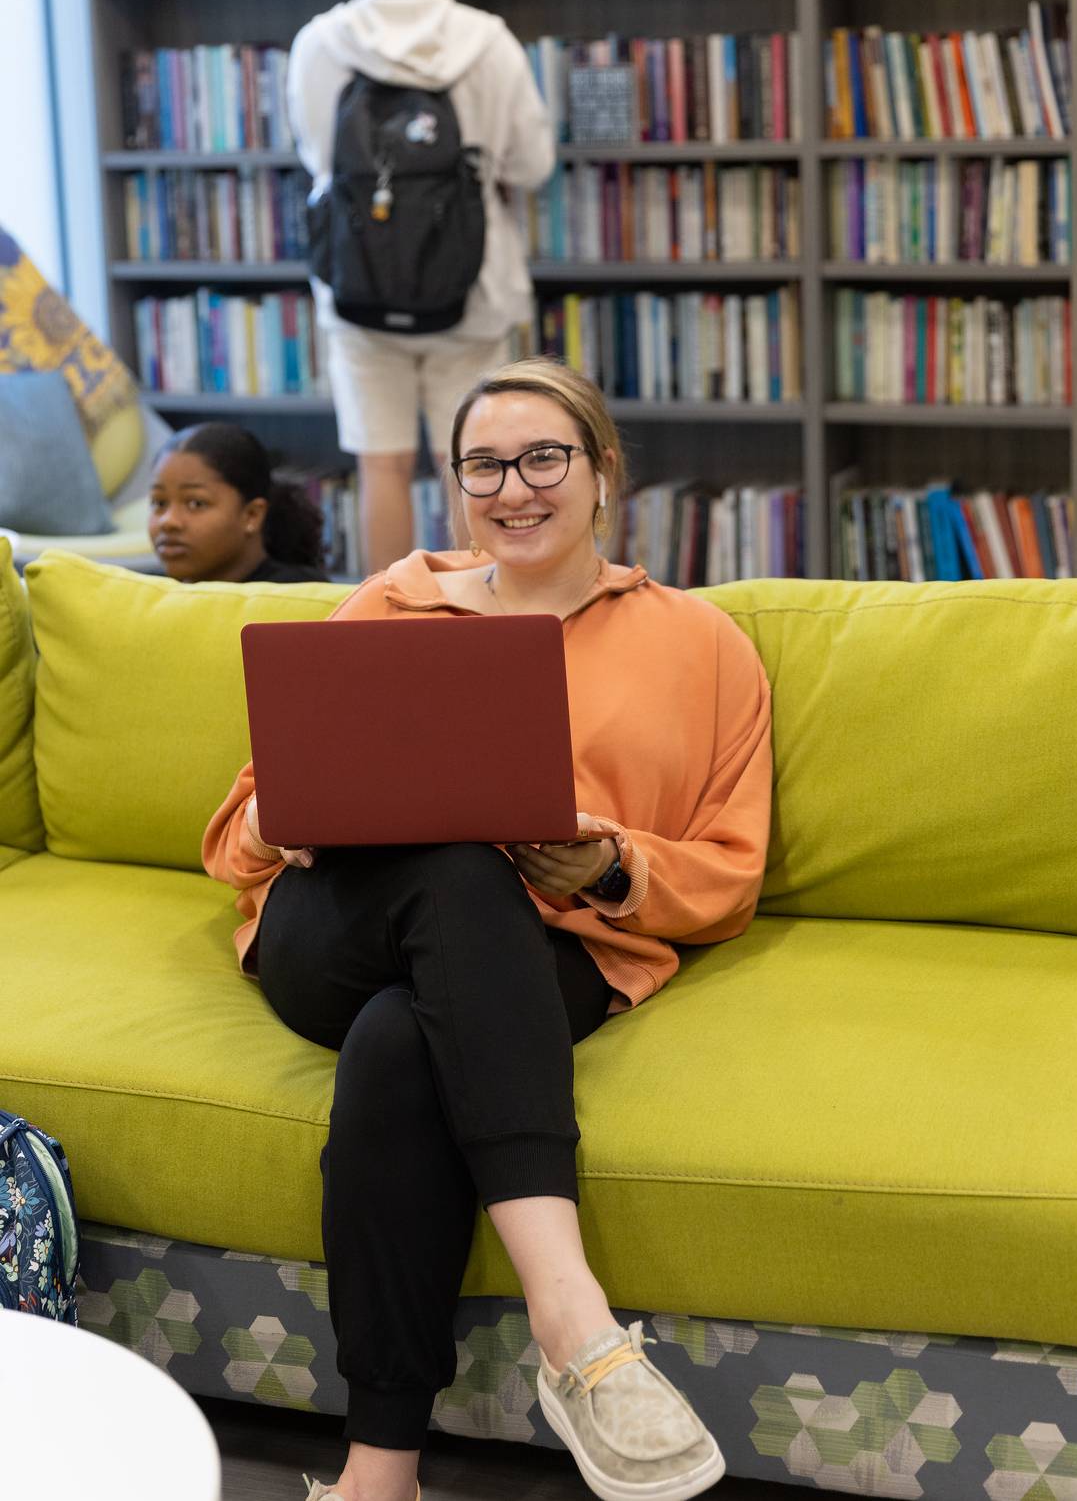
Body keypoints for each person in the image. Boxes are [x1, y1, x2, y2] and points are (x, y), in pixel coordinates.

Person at [202, 358, 773, 1501]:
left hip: (552, 949)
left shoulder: (701, 643)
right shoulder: (390, 603)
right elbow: (234, 834)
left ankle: (378, 1472)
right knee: (458, 862)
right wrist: (290, 813)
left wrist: (611, 864)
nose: (514, 487)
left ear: (603, 470)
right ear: (457, 482)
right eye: (483, 464)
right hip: (336, 926)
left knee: (399, 1045)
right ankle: (578, 1328)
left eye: (544, 457)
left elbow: (728, 871)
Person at [287, 0, 556, 575]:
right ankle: (474, 629)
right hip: (468, 286)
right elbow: (531, 164)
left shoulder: (320, 40)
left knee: (381, 467)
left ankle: (389, 628)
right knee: (474, 466)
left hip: (356, 286)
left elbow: (316, 156)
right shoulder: (487, 41)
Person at [148, 423, 328, 584]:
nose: (168, 521)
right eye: (159, 503)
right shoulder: (152, 592)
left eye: (196, 503)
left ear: (252, 515)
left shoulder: (293, 597)